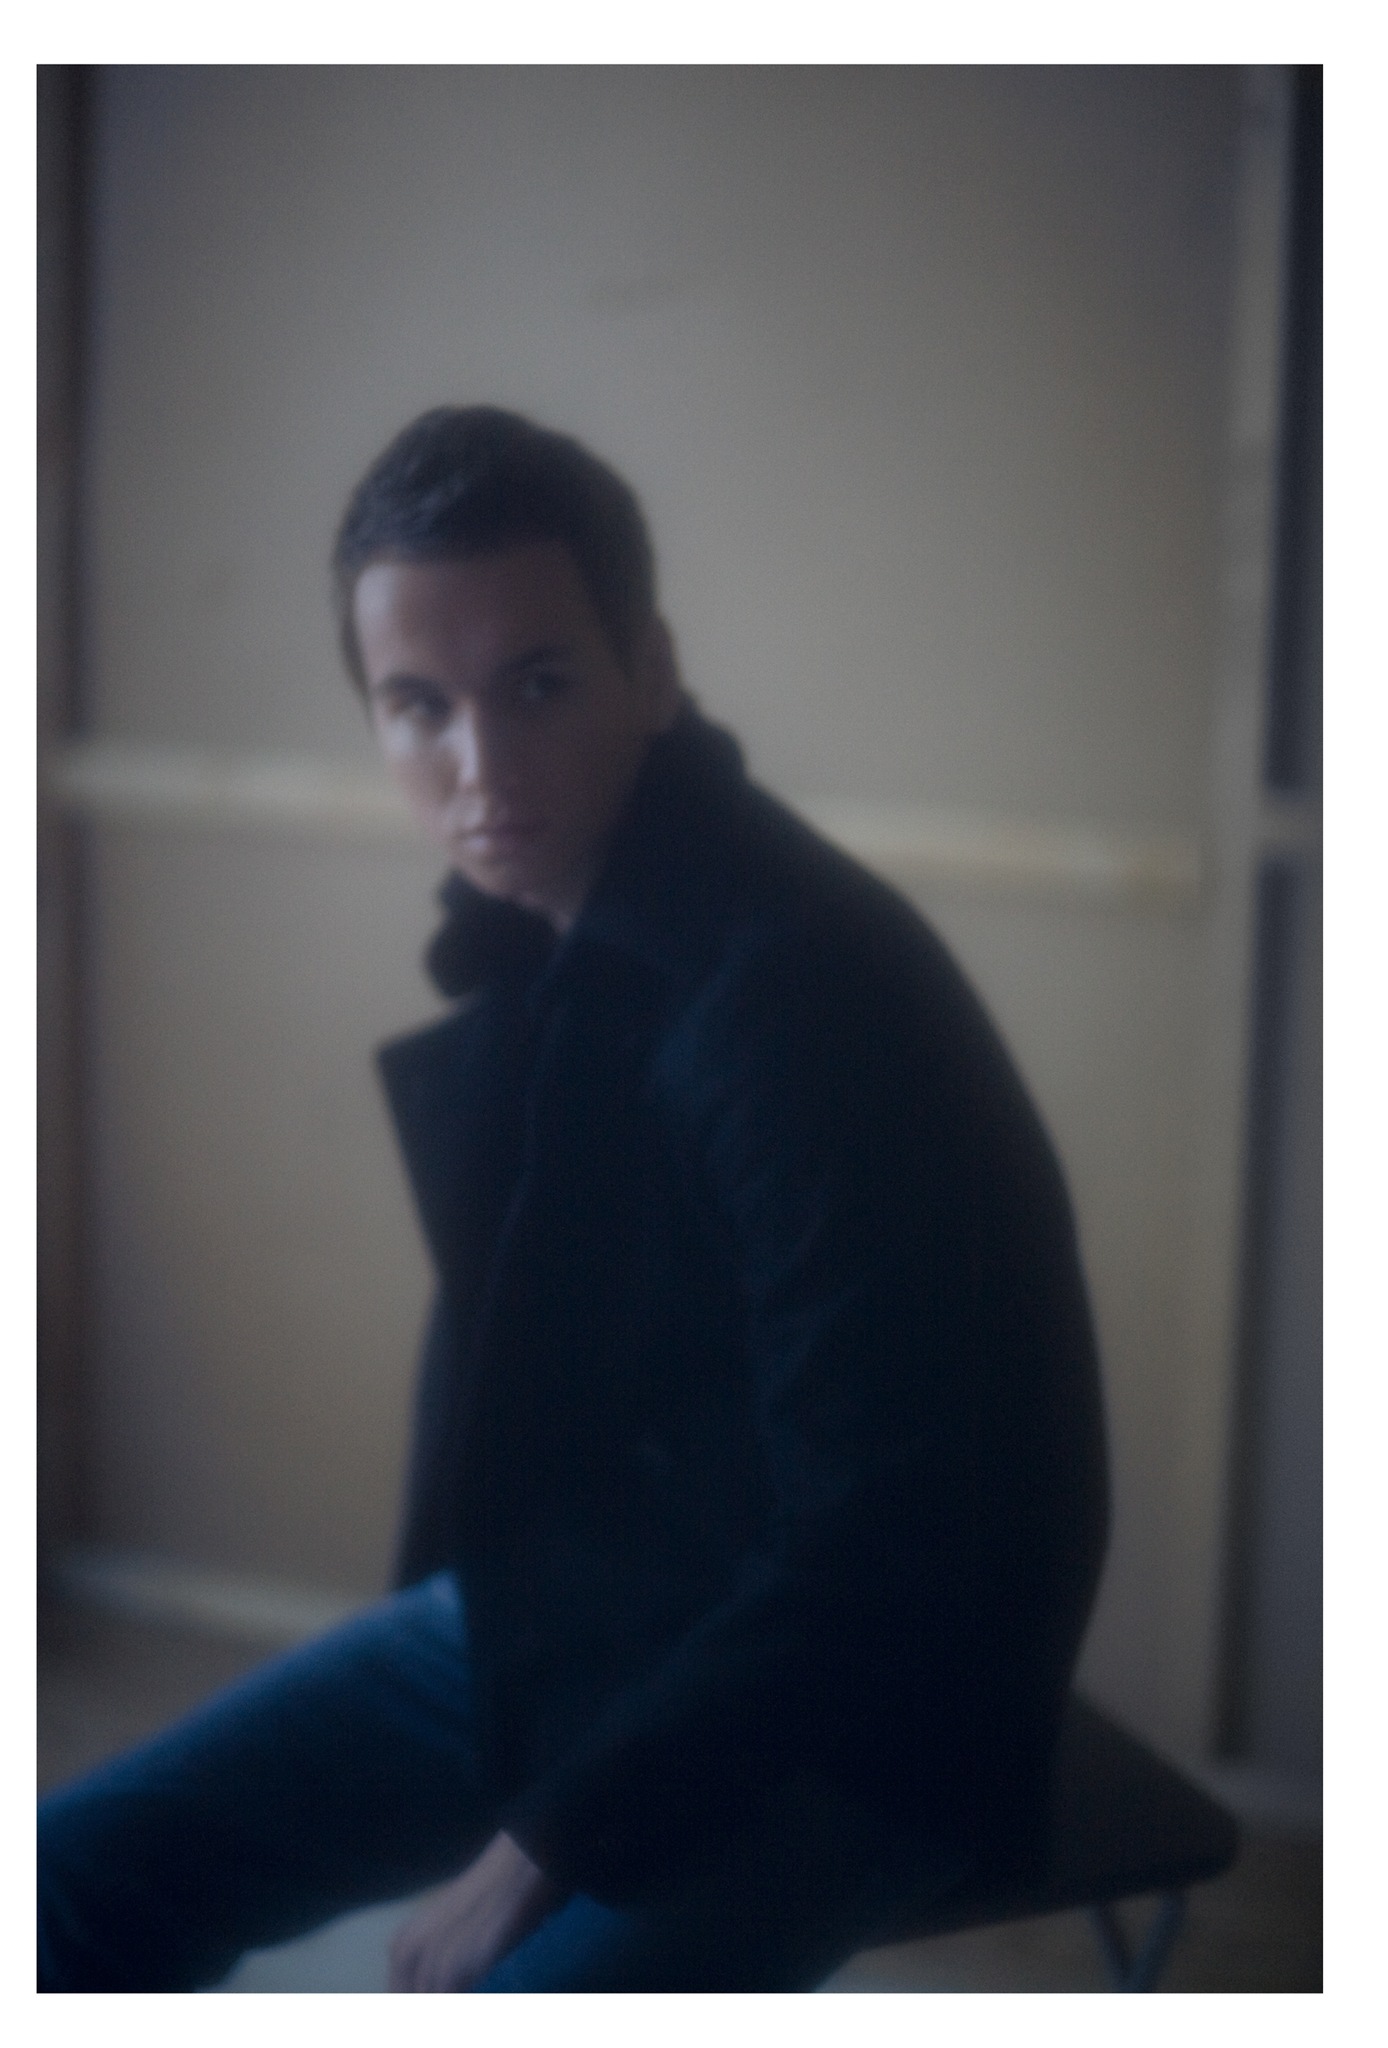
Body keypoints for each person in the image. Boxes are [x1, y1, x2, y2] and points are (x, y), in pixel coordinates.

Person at [38, 408, 1109, 1992]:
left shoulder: (790, 999)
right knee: (61, 1880)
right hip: (605, 1610)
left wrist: (543, 1841)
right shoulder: (565, 915)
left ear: (649, 671)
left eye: (537, 685)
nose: (480, 772)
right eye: (420, 706)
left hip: (863, 1707)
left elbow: (888, 1544)